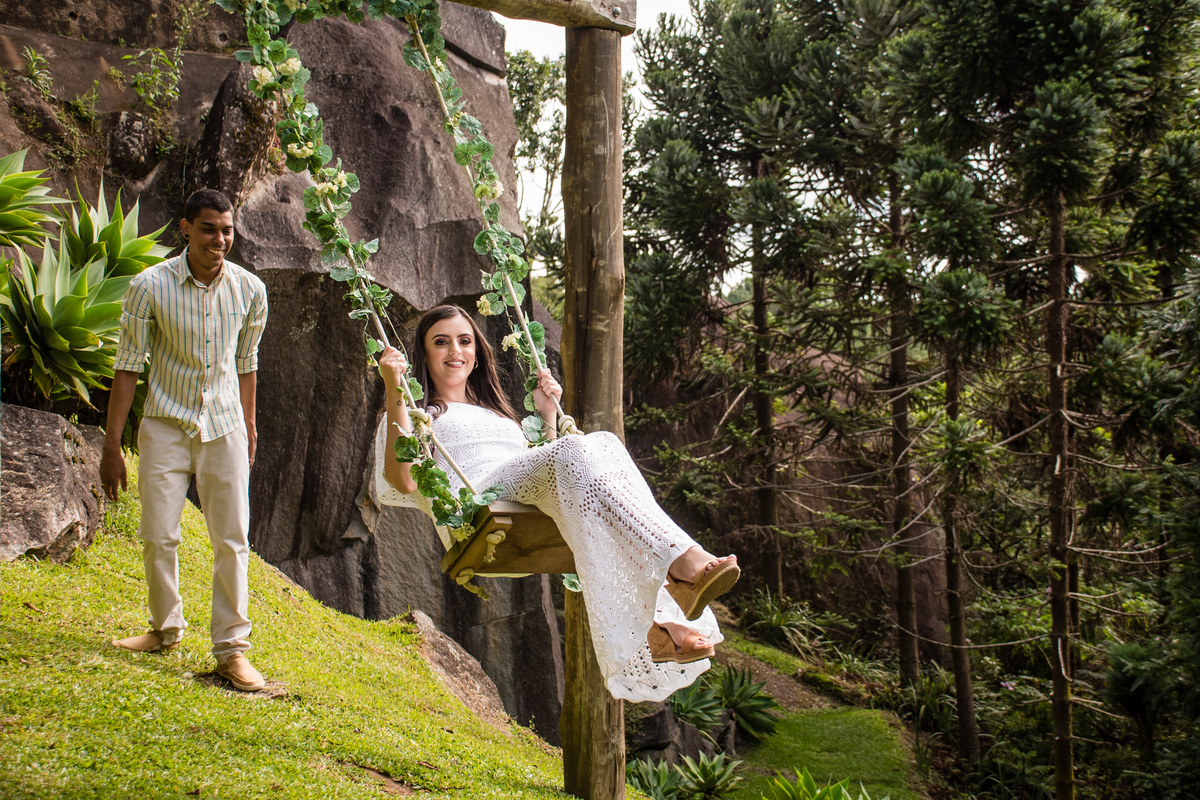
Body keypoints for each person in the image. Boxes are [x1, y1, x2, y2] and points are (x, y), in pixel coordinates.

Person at [374, 305, 740, 702]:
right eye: (441, 342)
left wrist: (548, 416)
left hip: (519, 492)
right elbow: (403, 479)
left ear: (477, 354)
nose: (455, 350)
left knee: (604, 443)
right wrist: (394, 388)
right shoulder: (419, 414)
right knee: (580, 448)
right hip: (479, 500)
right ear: (424, 354)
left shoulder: (498, 414)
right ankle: (683, 565)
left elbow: (555, 475)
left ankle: (661, 621)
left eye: (464, 341)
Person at [100, 188, 269, 692]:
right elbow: (127, 367)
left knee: (232, 540)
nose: (220, 239)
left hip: (225, 426)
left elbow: (247, 364)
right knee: (157, 534)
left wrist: (249, 424)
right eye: (209, 229)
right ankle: (164, 628)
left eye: (227, 230)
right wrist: (112, 445)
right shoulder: (149, 286)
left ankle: (232, 650)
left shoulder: (251, 290)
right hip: (165, 424)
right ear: (186, 229)